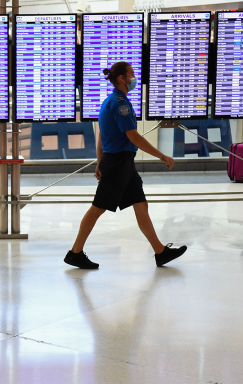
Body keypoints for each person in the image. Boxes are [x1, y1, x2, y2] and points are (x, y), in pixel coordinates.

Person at [64, 61, 187, 270]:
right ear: (122, 78)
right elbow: (133, 137)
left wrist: (100, 162)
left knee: (141, 204)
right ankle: (75, 252)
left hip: (121, 164)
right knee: (97, 209)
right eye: (131, 74)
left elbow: (101, 135)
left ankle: (160, 252)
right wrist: (161, 155)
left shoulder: (109, 101)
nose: (134, 78)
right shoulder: (120, 103)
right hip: (118, 164)